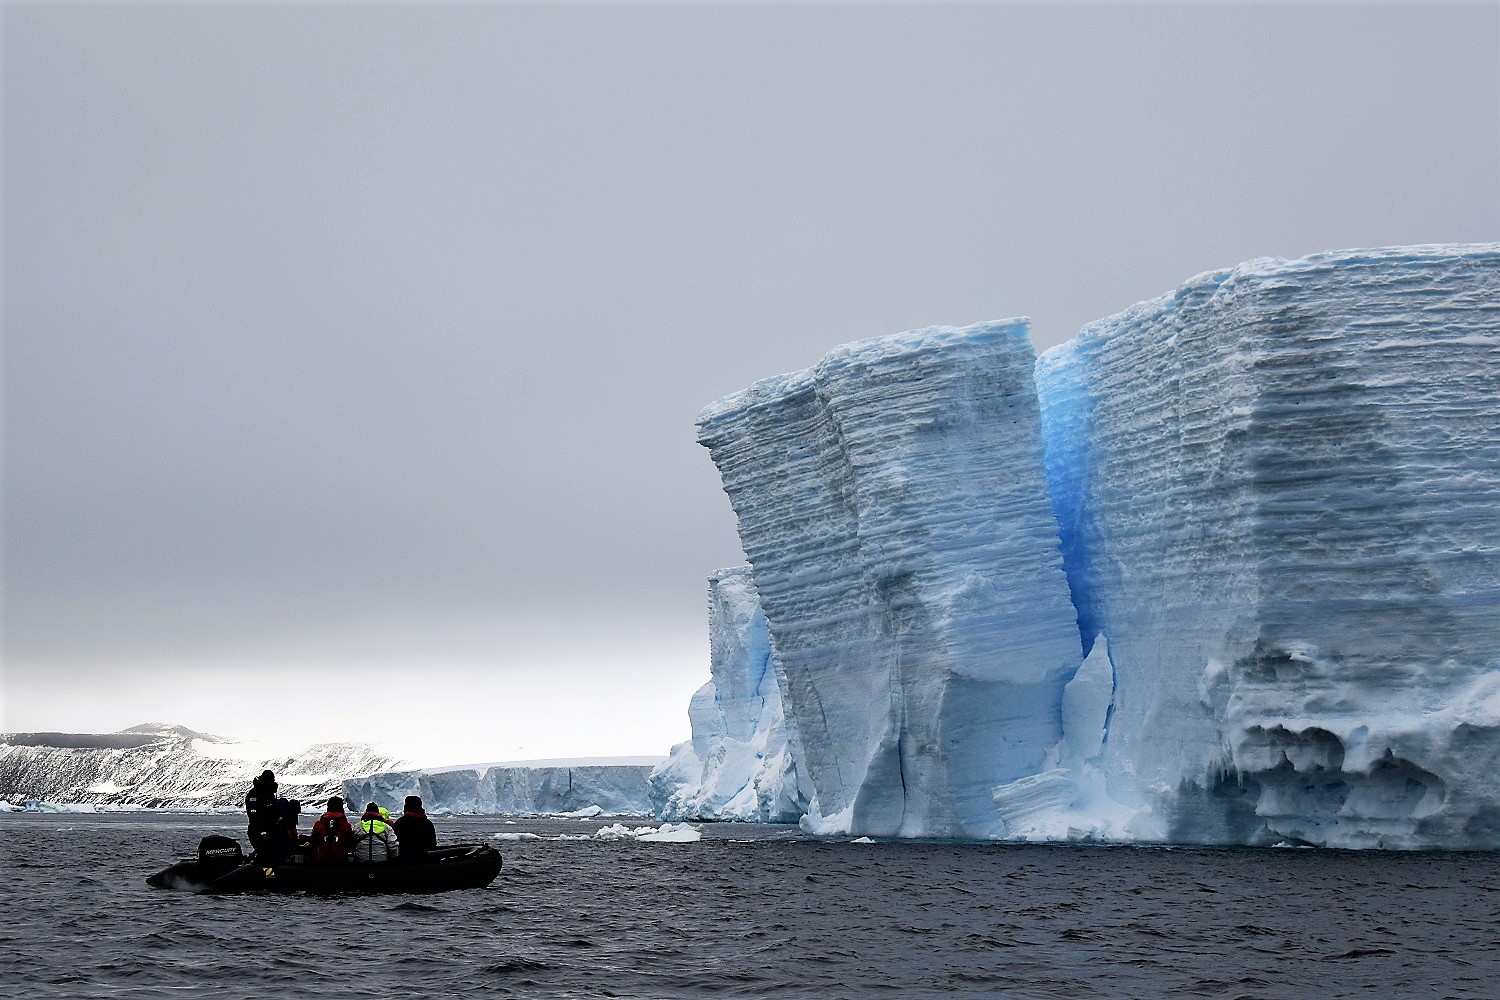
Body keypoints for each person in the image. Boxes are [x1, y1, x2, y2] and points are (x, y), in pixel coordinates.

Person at [244, 770, 283, 864]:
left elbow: (273, 812)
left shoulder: (268, 794)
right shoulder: (255, 795)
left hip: (271, 830)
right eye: (270, 781)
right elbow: (254, 816)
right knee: (265, 856)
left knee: (274, 855)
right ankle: (267, 875)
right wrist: (263, 831)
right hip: (259, 831)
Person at [311, 796, 356, 863]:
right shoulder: (346, 826)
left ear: (328, 807)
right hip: (341, 861)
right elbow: (351, 845)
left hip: (322, 862)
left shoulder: (318, 825)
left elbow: (313, 844)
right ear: (341, 807)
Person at [393, 795, 437, 864]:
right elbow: (432, 844)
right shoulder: (428, 824)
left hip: (404, 861)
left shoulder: (400, 823)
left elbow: (394, 843)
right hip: (424, 861)